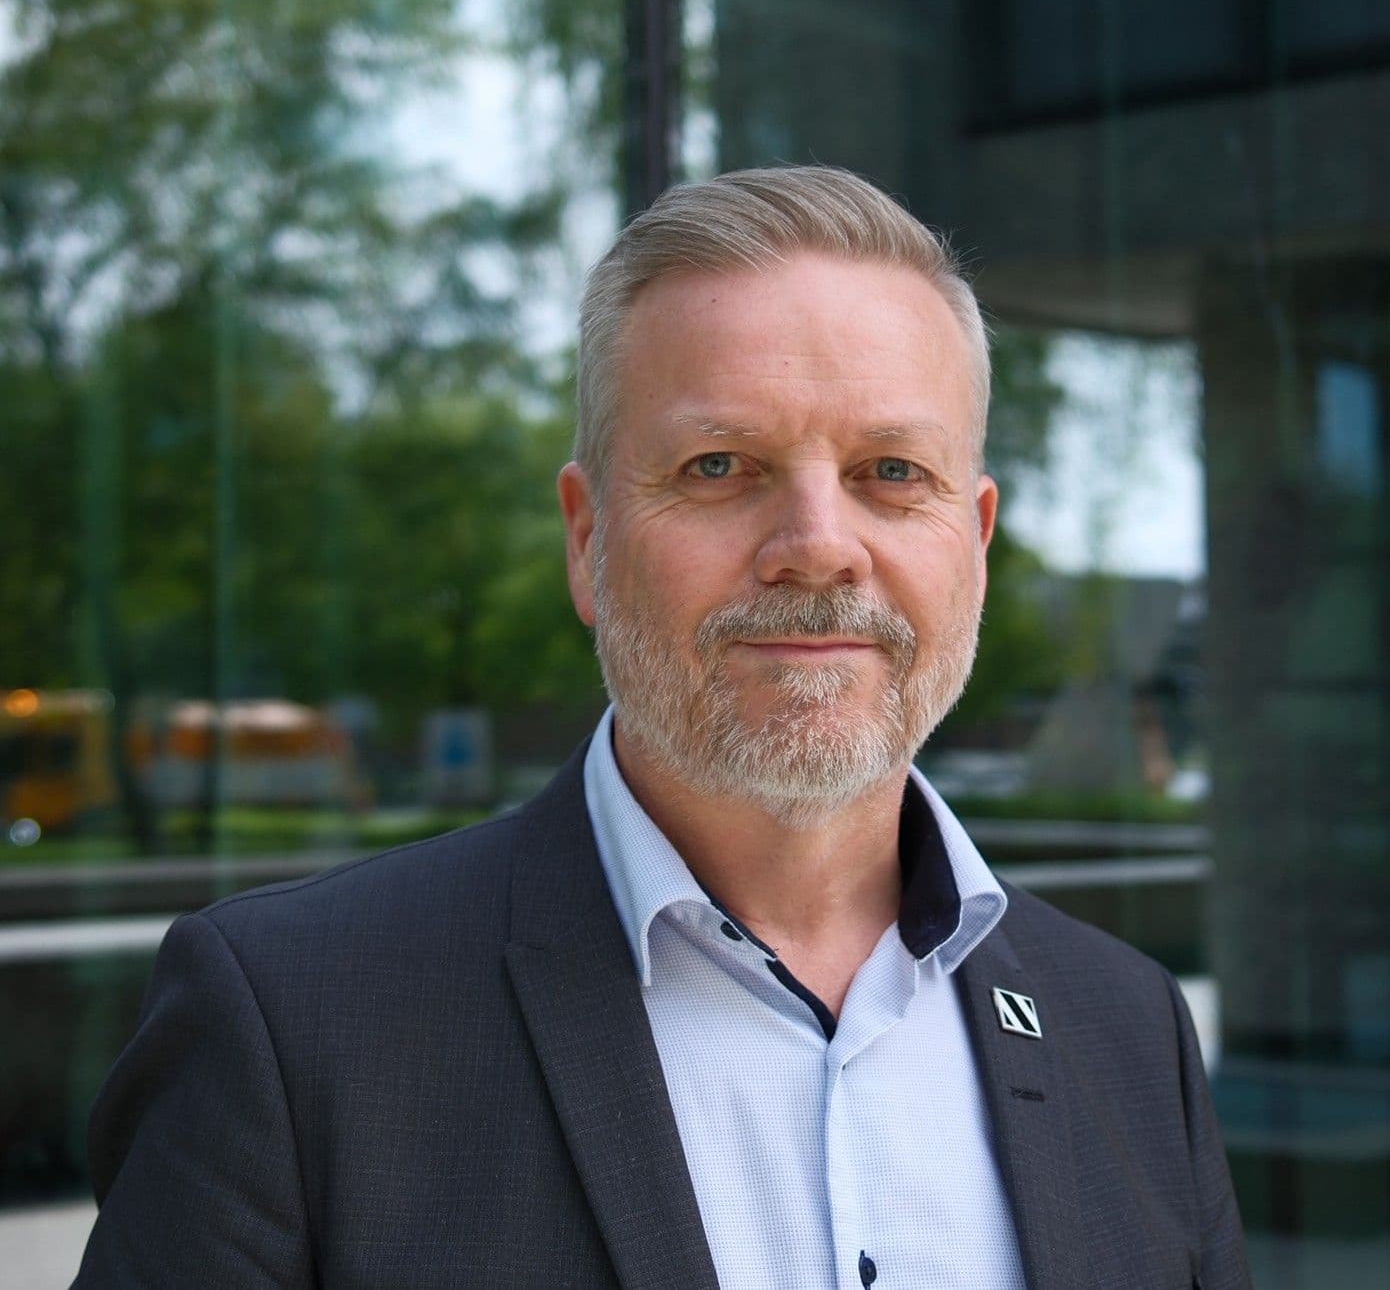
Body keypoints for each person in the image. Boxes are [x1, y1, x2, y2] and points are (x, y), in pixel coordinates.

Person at [73, 166, 1250, 1289]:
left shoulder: (1127, 1029)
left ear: (975, 545)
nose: (817, 547)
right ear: (587, 539)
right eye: (719, 464)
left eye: (891, 471)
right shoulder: (294, 1024)